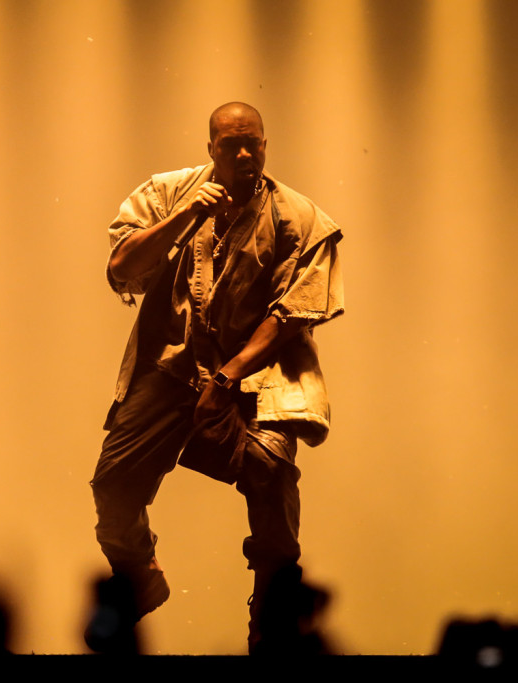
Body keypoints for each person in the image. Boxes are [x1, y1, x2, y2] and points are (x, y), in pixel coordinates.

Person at [90, 102, 344, 653]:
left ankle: (273, 615)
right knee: (112, 483)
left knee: (270, 471)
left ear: (266, 145)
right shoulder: (166, 194)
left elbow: (292, 313)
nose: (245, 154)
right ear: (211, 149)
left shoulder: (297, 217)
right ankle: (137, 577)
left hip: (255, 374)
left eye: (254, 143)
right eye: (231, 145)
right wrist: (185, 219)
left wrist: (228, 378)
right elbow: (121, 268)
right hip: (175, 365)